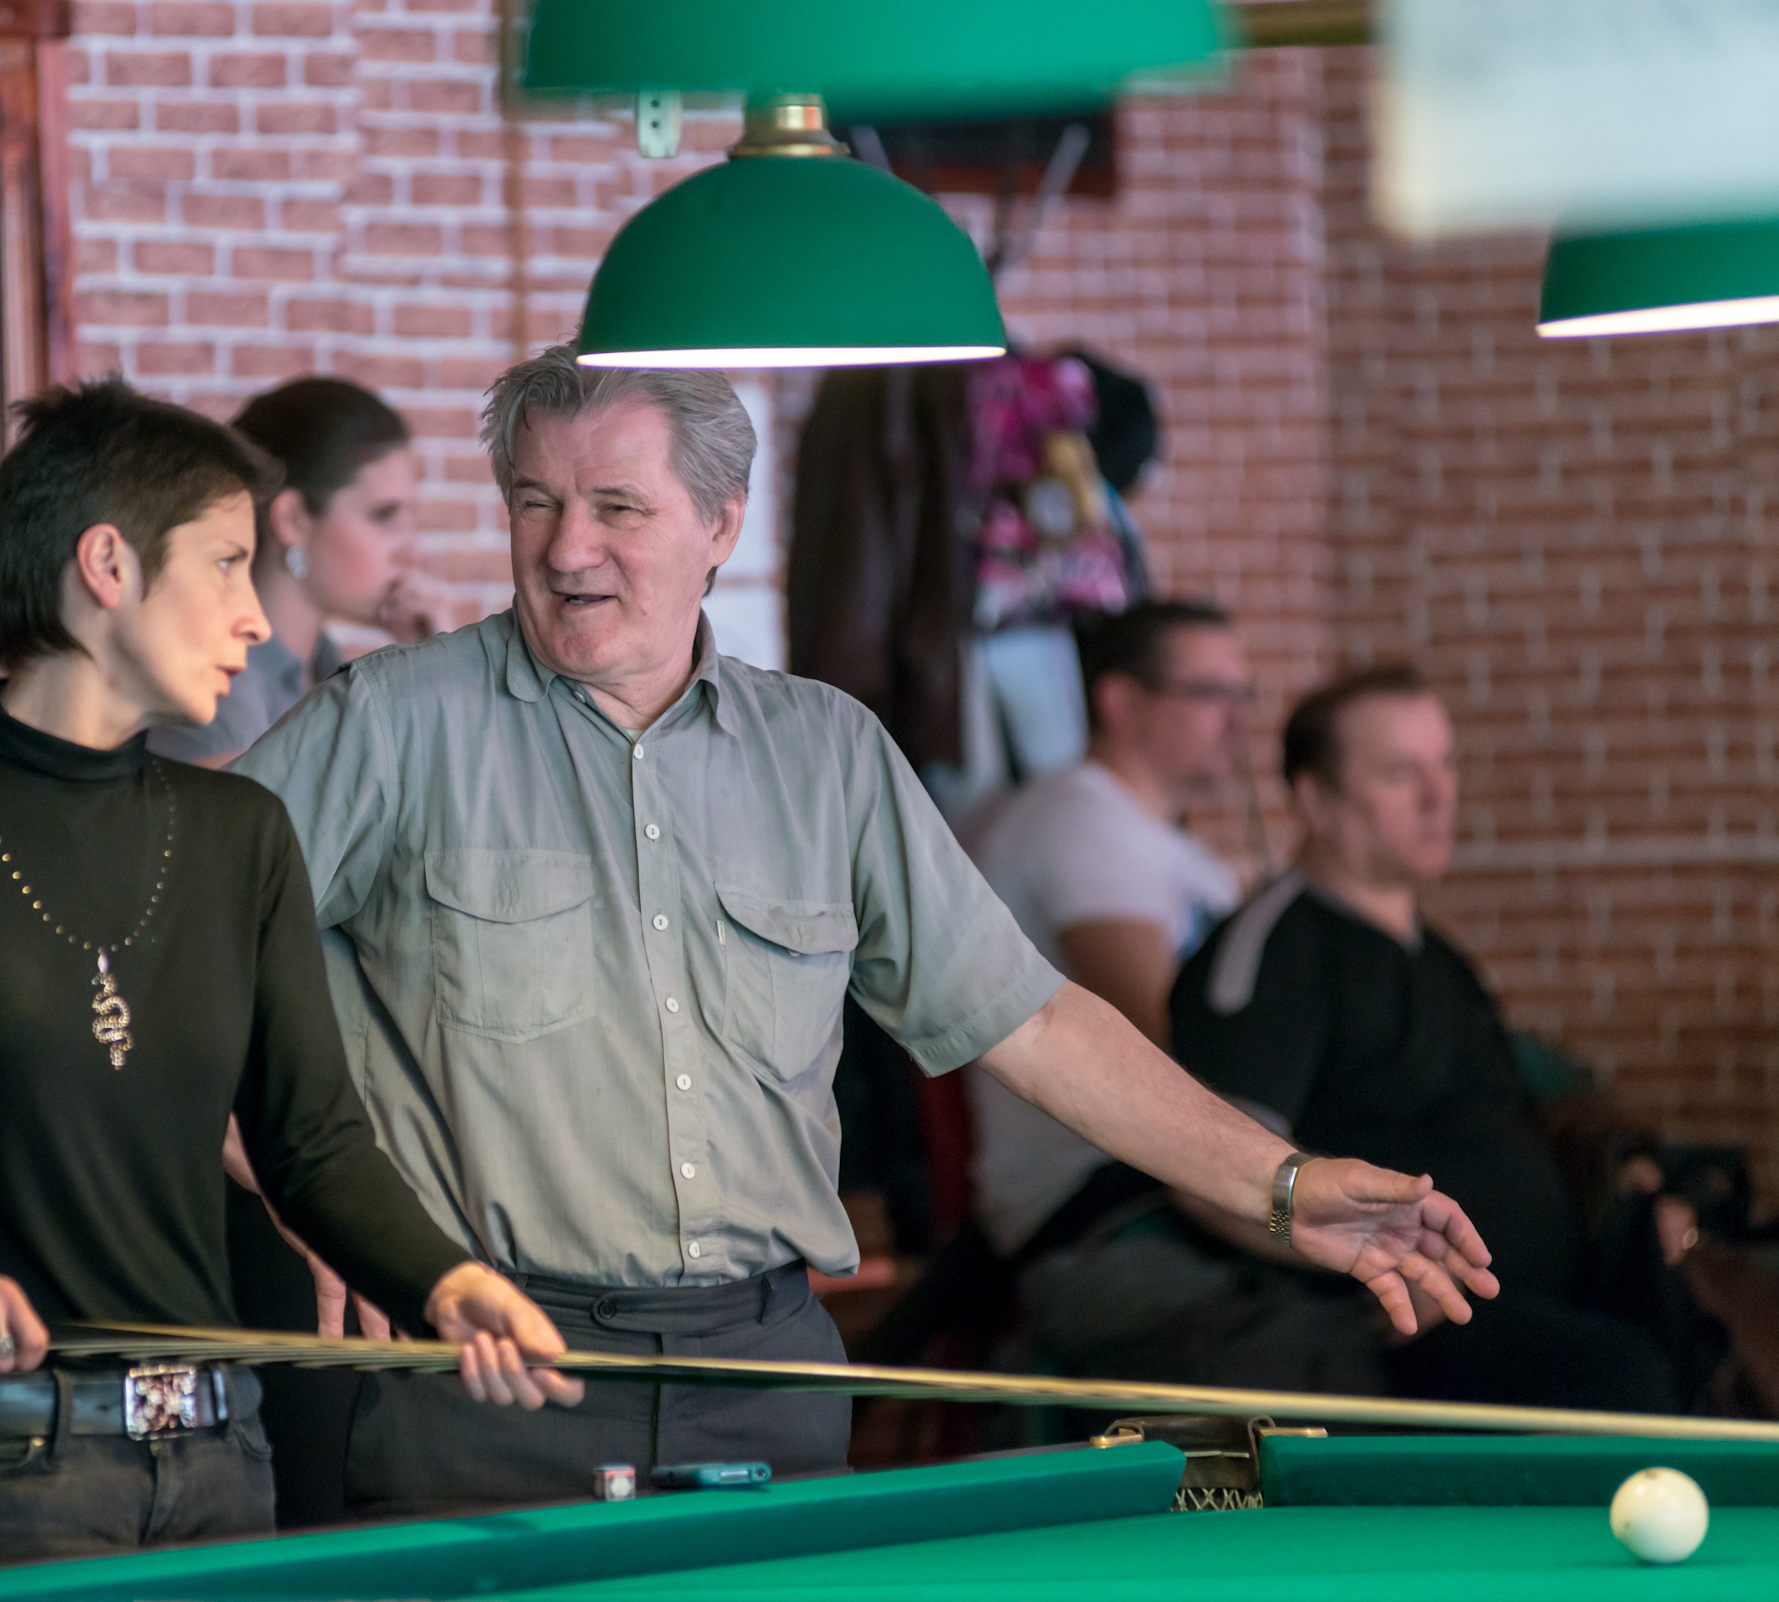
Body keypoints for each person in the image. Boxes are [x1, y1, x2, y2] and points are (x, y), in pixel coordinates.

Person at [233, 347, 1498, 1517]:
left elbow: (1033, 1023)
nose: (568, 548)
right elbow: (164, 955)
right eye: (533, 502)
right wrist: (304, 1192)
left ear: (722, 523)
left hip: (770, 1380)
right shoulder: (389, 725)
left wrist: (1280, 1189)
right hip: (487, 1378)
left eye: (617, 507)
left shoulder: (828, 751)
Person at [0, 379, 577, 1578]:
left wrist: (448, 1281)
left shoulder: (239, 836)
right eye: (226, 566)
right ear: (108, 565)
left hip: (225, 1458)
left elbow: (313, 1147)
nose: (256, 620)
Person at [1165, 665, 1697, 1412]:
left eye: (1445, 765)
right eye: (1399, 773)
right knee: (1625, 1377)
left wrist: (1635, 1189)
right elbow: (1207, 1172)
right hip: (1407, 1328)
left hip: (1554, 1289)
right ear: (1316, 800)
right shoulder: (1277, 951)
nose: (1439, 797)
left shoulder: (1441, 959)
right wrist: (1368, 1262)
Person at [151, 375, 441, 1528]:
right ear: (292, 521)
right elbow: (226, 875)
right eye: (384, 513)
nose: (407, 546)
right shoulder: (208, 700)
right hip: (244, 1142)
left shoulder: (335, 681)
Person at [970, 600, 1249, 1265]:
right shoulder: (1080, 818)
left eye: (1244, 696)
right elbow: (1166, 1038)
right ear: (1122, 703)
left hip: (1171, 1181)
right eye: (1211, 694)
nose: (1237, 720)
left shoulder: (1181, 854)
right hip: (1094, 1206)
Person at [151, 376, 439, 768]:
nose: (413, 552)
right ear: (293, 519)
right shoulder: (219, 685)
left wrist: (432, 668)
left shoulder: (326, 667)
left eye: (411, 516)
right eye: (383, 515)